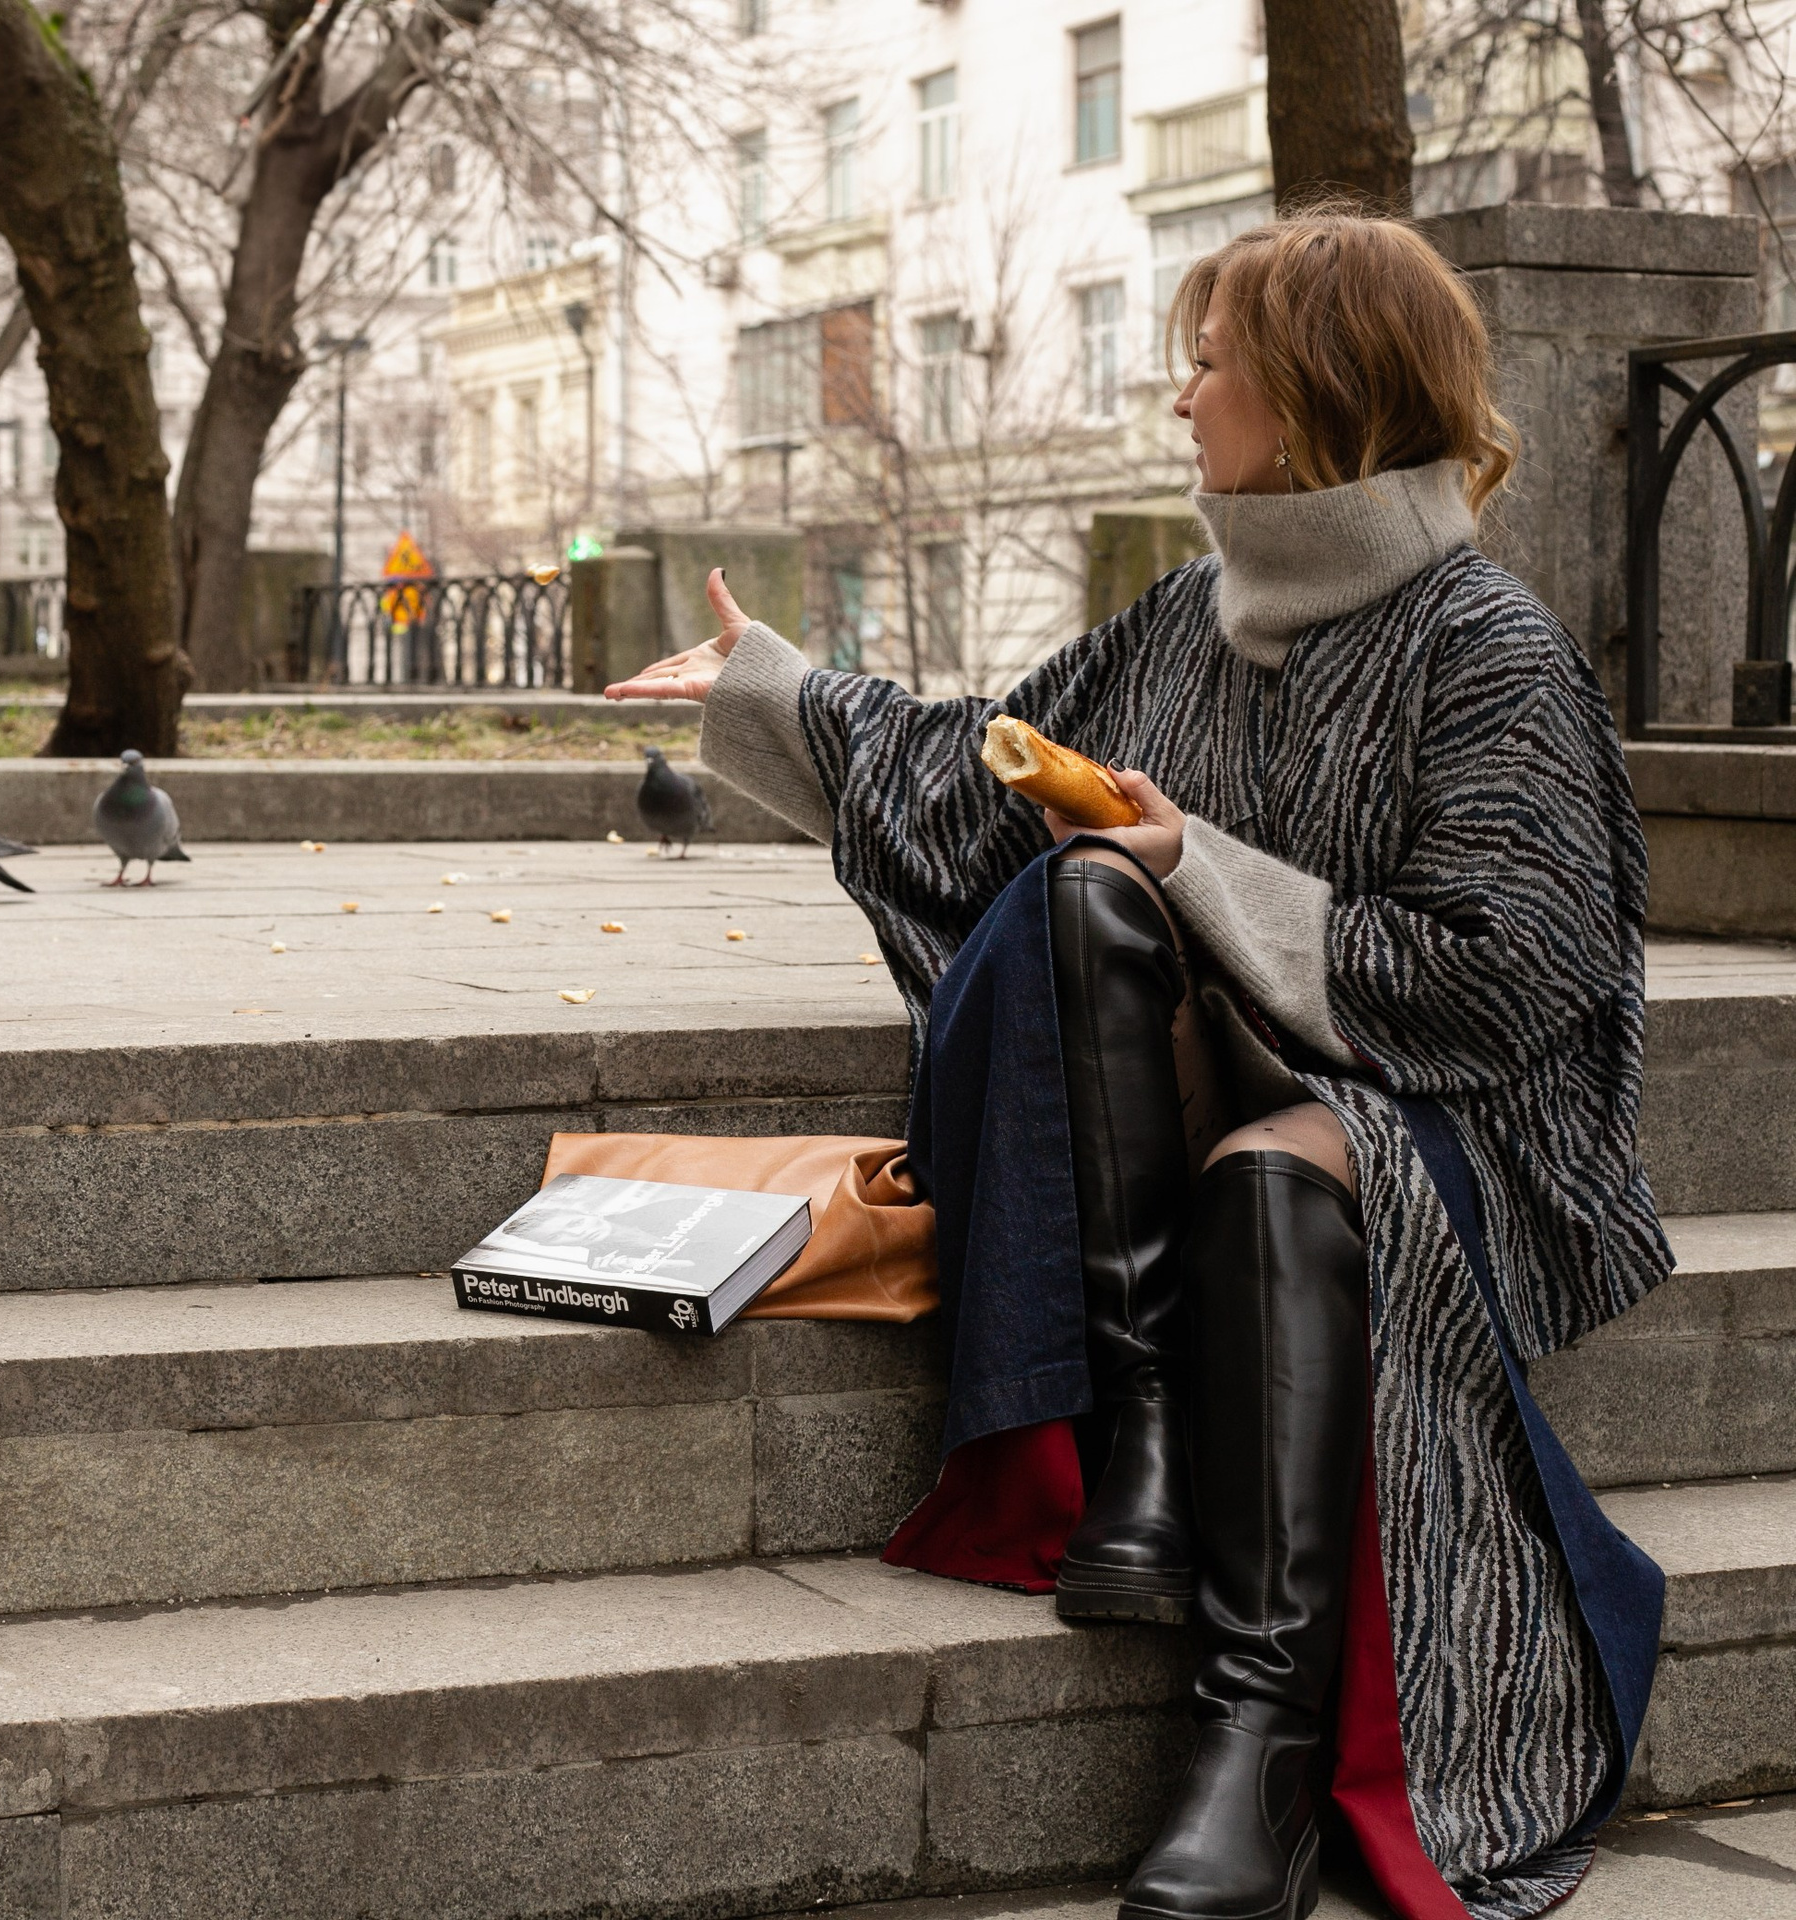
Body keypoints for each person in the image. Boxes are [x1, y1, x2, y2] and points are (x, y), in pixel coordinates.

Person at [606, 211, 1669, 1920]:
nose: (1183, 400)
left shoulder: (1491, 651)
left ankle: (1255, 1735)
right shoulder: (1186, 614)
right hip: (1213, 1077)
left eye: (1212, 359)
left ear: (1318, 388)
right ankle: (1155, 1437)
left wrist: (1211, 875)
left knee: (1270, 1149)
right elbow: (983, 781)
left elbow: (1507, 979)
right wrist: (775, 692)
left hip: (1450, 1119)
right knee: (1084, 883)